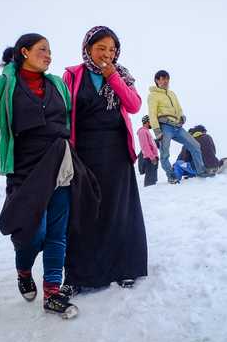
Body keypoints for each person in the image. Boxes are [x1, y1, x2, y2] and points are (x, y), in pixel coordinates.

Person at [0, 33, 99, 319]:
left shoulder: (56, 85)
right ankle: (24, 268)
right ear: (24, 52)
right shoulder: (4, 84)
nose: (49, 55)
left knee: (56, 233)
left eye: (50, 51)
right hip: (24, 169)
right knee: (31, 232)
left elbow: (69, 121)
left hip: (60, 164)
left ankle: (52, 293)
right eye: (43, 50)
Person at [61, 26, 148, 295]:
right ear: (88, 48)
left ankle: (125, 268)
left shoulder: (121, 74)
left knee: (119, 209)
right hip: (83, 151)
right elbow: (64, 109)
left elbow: (133, 105)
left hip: (116, 151)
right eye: (101, 48)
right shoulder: (73, 74)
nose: (107, 54)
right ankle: (79, 276)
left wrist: (112, 77)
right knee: (83, 210)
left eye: (112, 49)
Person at [148, 70, 213, 183]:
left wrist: (182, 117)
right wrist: (157, 131)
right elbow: (152, 114)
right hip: (164, 126)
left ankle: (201, 171)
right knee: (165, 153)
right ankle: (171, 176)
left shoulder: (172, 94)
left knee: (195, 145)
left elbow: (179, 109)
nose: (165, 81)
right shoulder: (153, 95)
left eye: (167, 78)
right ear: (157, 81)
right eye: (162, 79)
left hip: (177, 126)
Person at [137, 115, 159, 186]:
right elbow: (145, 146)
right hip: (150, 159)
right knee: (150, 182)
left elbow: (151, 144)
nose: (152, 124)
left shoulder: (146, 131)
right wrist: (152, 157)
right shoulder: (142, 131)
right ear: (147, 122)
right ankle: (150, 194)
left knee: (153, 180)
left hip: (152, 158)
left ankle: (153, 194)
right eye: (151, 122)